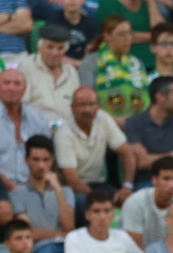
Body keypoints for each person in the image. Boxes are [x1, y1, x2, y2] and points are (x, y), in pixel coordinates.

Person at [55, 87, 138, 224]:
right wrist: (102, 199)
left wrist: (127, 186)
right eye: (81, 105)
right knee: (90, 208)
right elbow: (72, 181)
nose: (87, 109)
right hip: (76, 189)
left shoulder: (103, 118)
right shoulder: (64, 134)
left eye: (91, 104)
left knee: (132, 203)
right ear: (72, 108)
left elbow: (127, 152)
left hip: (100, 184)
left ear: (98, 106)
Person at [9, 135, 76, 253]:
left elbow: (69, 226)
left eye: (46, 160)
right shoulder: (17, 194)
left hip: (70, 246)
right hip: (41, 248)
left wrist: (57, 188)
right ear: (26, 160)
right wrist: (62, 234)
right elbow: (29, 232)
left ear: (52, 161)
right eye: (36, 160)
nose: (41, 165)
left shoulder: (65, 192)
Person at [79, 16, 150, 128]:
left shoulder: (137, 63)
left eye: (129, 34)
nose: (127, 39)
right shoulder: (90, 62)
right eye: (121, 34)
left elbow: (146, 98)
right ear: (107, 36)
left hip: (137, 125)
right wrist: (114, 120)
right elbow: (87, 100)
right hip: (102, 125)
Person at [123, 76, 173, 188]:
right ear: (160, 97)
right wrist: (171, 156)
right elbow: (141, 162)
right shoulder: (134, 122)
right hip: (148, 181)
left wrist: (153, 158)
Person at [0, 70, 52, 190]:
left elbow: (47, 156)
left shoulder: (37, 118)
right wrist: (13, 188)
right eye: (6, 83)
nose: (12, 88)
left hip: (34, 187)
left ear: (24, 89)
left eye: (17, 84)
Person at [17, 25, 81, 127]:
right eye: (50, 47)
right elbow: (21, 104)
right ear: (40, 47)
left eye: (60, 48)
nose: (54, 53)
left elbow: (77, 104)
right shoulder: (27, 67)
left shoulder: (71, 71)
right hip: (37, 126)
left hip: (67, 127)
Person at [119, 156, 173, 249]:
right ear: (154, 180)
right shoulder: (135, 202)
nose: (171, 185)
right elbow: (135, 247)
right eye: (166, 179)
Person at [94, 0, 163, 71]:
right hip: (124, 62)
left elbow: (161, 31)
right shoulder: (108, 3)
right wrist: (153, 37)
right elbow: (117, 36)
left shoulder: (146, 4)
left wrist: (152, 4)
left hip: (155, 61)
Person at [47, 0, 99, 66]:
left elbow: (91, 54)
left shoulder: (92, 24)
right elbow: (51, 52)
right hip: (59, 65)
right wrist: (77, 63)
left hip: (84, 67)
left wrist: (84, 65)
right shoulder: (53, 22)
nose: (72, 1)